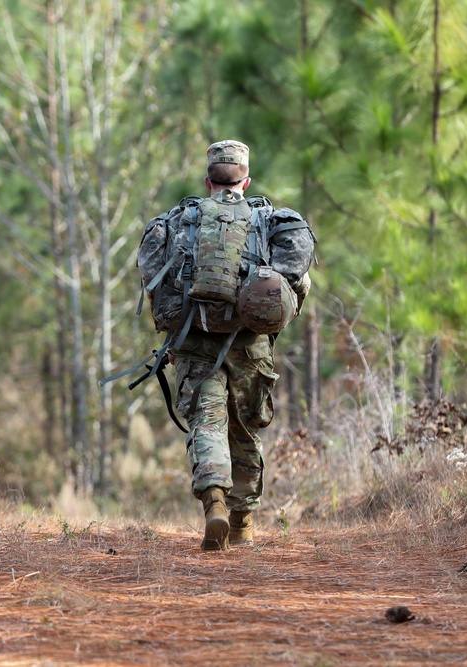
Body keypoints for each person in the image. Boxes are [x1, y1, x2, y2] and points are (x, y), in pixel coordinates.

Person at [147, 140, 312, 551]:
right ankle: (242, 525)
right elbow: (296, 285)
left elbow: (154, 281)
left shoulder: (178, 219)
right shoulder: (270, 219)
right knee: (246, 430)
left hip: (193, 338)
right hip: (250, 344)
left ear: (208, 180)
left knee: (207, 423)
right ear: (246, 179)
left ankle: (214, 502)